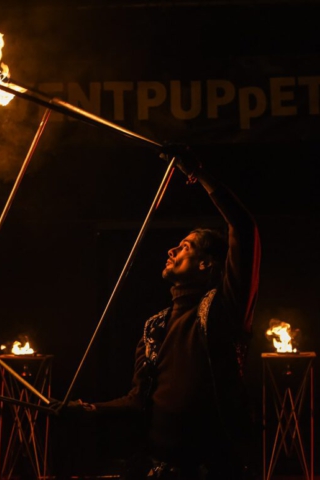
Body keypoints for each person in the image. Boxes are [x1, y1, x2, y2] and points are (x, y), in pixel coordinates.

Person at [61, 145, 262, 480]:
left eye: (185, 246)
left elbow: (244, 228)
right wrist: (87, 409)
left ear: (205, 263)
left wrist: (200, 174)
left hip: (212, 469)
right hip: (157, 467)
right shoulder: (155, 326)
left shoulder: (224, 308)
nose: (171, 250)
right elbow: (138, 400)